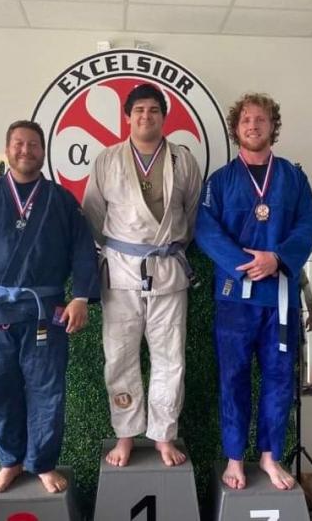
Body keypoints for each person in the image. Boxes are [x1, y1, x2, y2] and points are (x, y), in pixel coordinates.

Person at [0, 120, 99, 494]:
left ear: (43, 151)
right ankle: (10, 461)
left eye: (33, 145)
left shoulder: (61, 200)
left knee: (48, 390)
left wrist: (80, 297)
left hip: (46, 310)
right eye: (18, 144)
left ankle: (42, 463)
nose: (26, 150)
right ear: (8, 149)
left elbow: (82, 251)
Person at [195, 93, 312, 491]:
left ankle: (269, 456)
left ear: (272, 126)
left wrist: (276, 259)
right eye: (246, 120)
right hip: (235, 297)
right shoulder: (220, 181)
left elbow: (307, 228)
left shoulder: (294, 178)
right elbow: (205, 230)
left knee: (279, 379)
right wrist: (245, 263)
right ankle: (235, 457)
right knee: (233, 379)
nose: (253, 125)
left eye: (261, 119)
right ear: (236, 128)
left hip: (279, 297)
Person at [82, 83, 202, 468]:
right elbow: (93, 215)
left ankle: (164, 435)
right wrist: (120, 250)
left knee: (171, 357)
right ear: (128, 117)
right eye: (139, 111)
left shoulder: (184, 160)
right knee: (119, 355)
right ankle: (125, 434)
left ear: (163, 117)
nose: (146, 116)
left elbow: (193, 214)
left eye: (153, 110)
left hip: (168, 270)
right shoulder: (107, 160)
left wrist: (169, 245)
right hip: (120, 272)